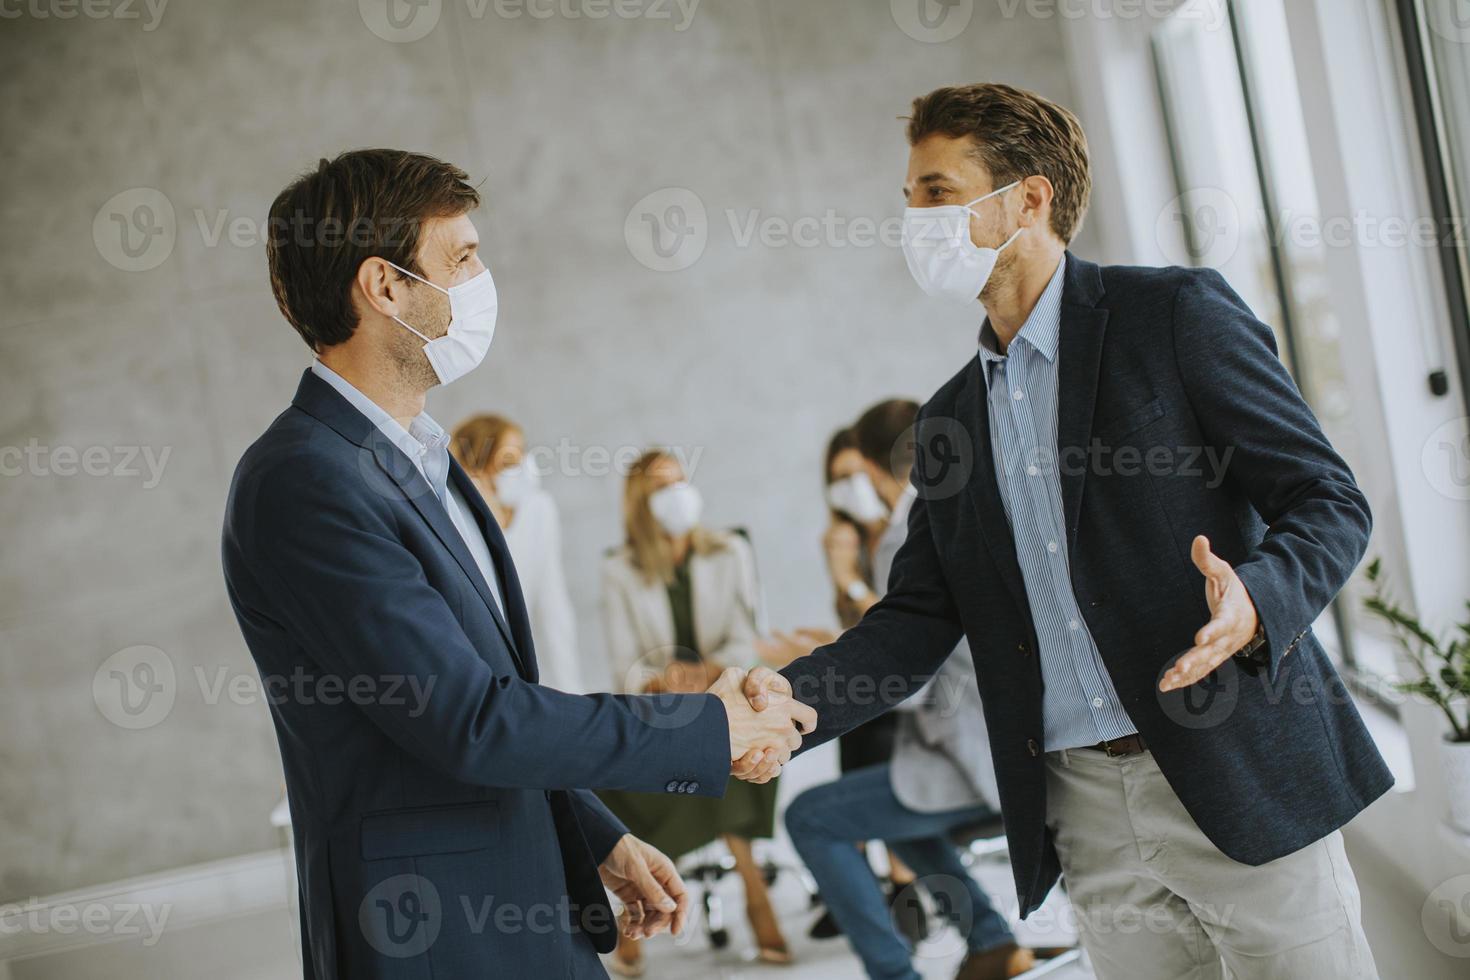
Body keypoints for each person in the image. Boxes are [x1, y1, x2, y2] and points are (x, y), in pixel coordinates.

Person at [741, 84, 1391, 980]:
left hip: (1235, 767)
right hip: (1080, 807)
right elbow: (918, 618)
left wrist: (1260, 598)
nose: (913, 220)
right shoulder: (949, 422)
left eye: (935, 191)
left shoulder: (1173, 317)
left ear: (1029, 198)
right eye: (909, 199)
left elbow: (1327, 497)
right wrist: (794, 699)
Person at [220, 149, 814, 979]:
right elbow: (467, 719)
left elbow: (490, 692)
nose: (482, 278)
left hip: (518, 895)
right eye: (461, 258)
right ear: (385, 287)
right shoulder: (303, 479)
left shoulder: (421, 458)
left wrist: (596, 835)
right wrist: (708, 728)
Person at [787, 398, 1069, 980]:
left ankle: (896, 973)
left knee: (810, 816)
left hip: (979, 756)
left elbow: (909, 678)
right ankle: (991, 940)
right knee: (886, 801)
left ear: (871, 465)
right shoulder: (962, 510)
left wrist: (835, 627)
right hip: (1023, 738)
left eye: (851, 475)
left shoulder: (904, 537)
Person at [597, 450, 791, 973]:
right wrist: (663, 678)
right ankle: (746, 897)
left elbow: (744, 637)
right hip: (660, 707)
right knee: (676, 754)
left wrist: (706, 671)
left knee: (727, 739)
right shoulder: (620, 570)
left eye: (681, 482)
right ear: (641, 503)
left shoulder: (727, 551)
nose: (678, 495)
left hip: (724, 694)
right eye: (662, 487)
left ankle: (658, 900)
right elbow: (624, 664)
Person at [451, 413, 585, 693]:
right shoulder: (457, 517)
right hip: (476, 669)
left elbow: (553, 601)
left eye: (522, 454)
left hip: (528, 666)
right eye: (508, 462)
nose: (523, 468)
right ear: (478, 468)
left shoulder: (540, 509)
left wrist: (572, 690)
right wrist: (482, 506)